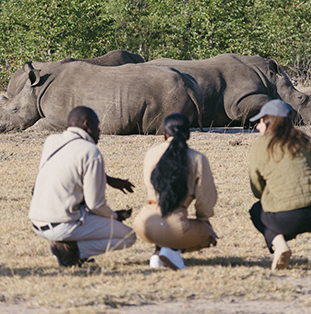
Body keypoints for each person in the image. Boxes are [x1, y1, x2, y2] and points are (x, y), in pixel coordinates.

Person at [29, 106, 136, 267]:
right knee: (128, 236)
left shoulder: (52, 141)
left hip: (36, 221)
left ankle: (67, 245)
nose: (99, 131)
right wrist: (115, 216)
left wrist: (108, 179)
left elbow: (67, 168)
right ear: (87, 125)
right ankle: (72, 250)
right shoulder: (91, 151)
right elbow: (95, 205)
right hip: (62, 224)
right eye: (97, 125)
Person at [248, 99, 311, 271]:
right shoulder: (307, 140)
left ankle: (279, 244)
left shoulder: (259, 145)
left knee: (256, 210)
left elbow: (257, 190)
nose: (258, 126)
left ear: (269, 121)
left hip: (285, 221)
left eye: (260, 121)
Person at [133, 113, 218, 270]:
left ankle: (158, 252)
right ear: (188, 134)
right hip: (175, 224)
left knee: (163, 226)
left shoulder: (151, 153)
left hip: (144, 223)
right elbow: (206, 196)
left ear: (165, 134)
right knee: (208, 235)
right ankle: (171, 250)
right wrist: (203, 219)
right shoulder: (197, 158)